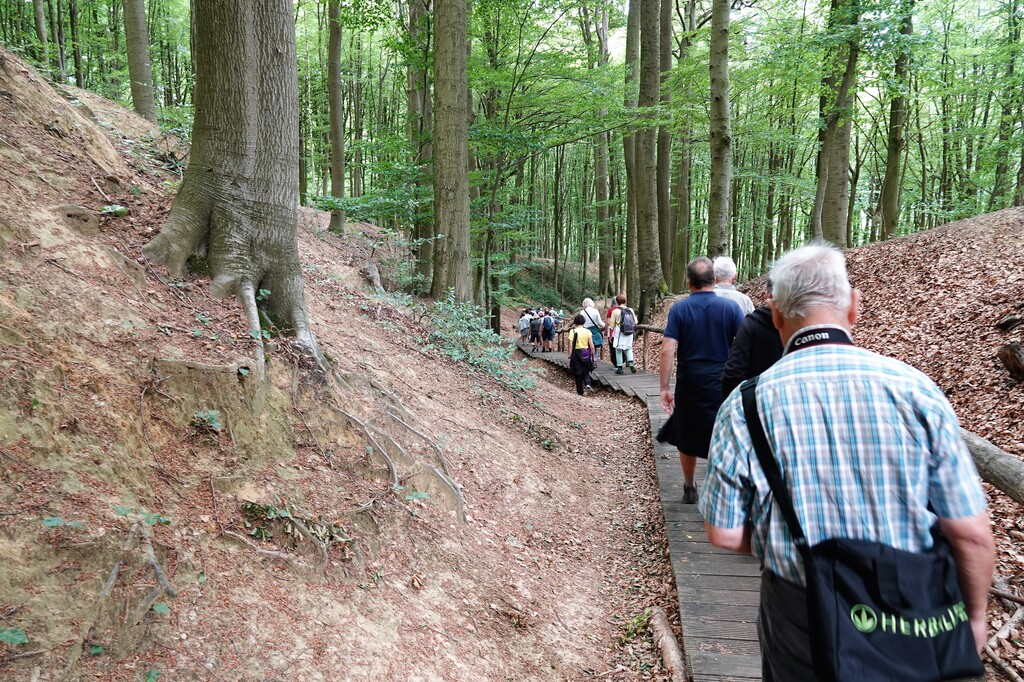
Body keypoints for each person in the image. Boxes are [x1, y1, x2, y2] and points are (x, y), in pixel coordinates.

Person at [699, 244, 994, 680]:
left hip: (800, 610)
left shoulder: (745, 405)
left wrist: (783, 538)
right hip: (916, 606)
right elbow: (970, 535)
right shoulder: (917, 391)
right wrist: (974, 616)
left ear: (776, 316)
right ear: (853, 308)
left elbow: (724, 535)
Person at [658, 257, 744, 503]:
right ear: (714, 280)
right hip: (723, 381)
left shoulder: (680, 309)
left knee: (687, 434)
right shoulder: (731, 309)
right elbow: (744, 345)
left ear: (689, 282)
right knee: (722, 433)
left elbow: (667, 350)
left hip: (689, 381)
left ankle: (689, 486)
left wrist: (665, 388)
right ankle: (720, 488)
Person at [720, 280, 784, 399]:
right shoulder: (806, 325)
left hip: (755, 401)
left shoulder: (752, 323)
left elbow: (733, 373)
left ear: (768, 295)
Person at [567, 313, 597, 395]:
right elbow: (592, 346)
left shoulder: (572, 331)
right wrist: (593, 357)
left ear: (575, 322)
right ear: (583, 322)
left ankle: (580, 391)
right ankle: (588, 383)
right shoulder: (587, 331)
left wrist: (569, 356)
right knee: (586, 369)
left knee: (577, 372)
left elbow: (570, 345)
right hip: (585, 352)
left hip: (576, 353)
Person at [608, 294, 637, 375]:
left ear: (617, 302)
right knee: (628, 348)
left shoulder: (615, 311)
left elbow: (611, 325)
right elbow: (635, 321)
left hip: (619, 332)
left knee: (618, 350)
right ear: (625, 301)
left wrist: (610, 336)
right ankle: (631, 362)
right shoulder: (630, 310)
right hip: (629, 332)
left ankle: (620, 368)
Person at [605, 297, 620, 369]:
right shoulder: (622, 309)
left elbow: (608, 322)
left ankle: (616, 364)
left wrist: (605, 330)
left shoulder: (611, 310)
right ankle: (622, 362)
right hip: (621, 332)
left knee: (613, 348)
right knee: (620, 347)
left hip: (612, 331)